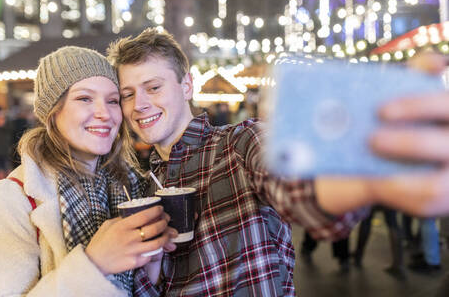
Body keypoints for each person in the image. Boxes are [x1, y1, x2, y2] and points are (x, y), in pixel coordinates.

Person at [107, 29, 449, 295]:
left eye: (153, 87)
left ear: (186, 85)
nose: (139, 105)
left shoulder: (240, 144)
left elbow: (297, 191)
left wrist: (368, 173)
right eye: (128, 94)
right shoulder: (140, 185)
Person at [0, 46, 177, 296]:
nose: (104, 113)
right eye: (84, 98)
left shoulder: (130, 187)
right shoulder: (11, 201)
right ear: (53, 112)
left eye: (113, 101)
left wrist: (152, 260)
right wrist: (94, 265)